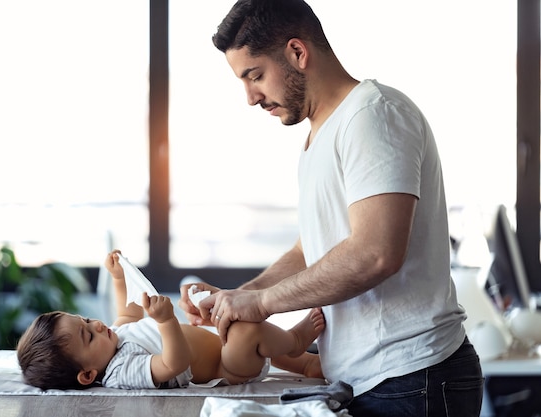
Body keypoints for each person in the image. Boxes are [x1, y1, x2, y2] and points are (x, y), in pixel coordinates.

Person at [178, 1, 484, 416]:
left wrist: (265, 304)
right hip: (372, 380)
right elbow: (313, 251)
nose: (251, 98)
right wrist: (242, 295)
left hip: (414, 378)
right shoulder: (320, 136)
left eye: (256, 76)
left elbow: (376, 252)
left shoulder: (373, 115)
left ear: (297, 53)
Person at [16, 250, 324, 390]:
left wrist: (119, 278)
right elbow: (172, 364)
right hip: (228, 367)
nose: (97, 325)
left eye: (85, 320)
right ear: (87, 374)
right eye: (88, 336)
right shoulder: (121, 371)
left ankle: (306, 365)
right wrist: (166, 322)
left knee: (230, 321)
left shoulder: (114, 339)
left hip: (220, 345)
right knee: (244, 330)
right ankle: (296, 342)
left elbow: (128, 313)